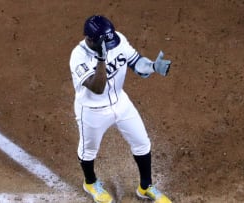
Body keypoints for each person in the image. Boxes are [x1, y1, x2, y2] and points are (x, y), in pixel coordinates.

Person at [69, 15, 172, 203]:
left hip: (121, 103)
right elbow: (98, 88)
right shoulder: (78, 56)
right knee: (88, 150)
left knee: (142, 142)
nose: (110, 47)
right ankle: (90, 183)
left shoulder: (117, 40)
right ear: (91, 40)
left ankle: (145, 187)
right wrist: (101, 58)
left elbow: (136, 63)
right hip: (92, 111)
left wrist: (152, 67)